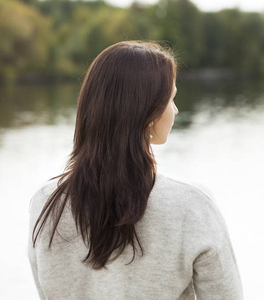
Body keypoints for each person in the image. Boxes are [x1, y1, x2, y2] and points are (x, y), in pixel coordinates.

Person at [27, 41, 243, 300]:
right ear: (148, 113)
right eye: (171, 99)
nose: (175, 110)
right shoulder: (191, 205)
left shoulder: (45, 203)